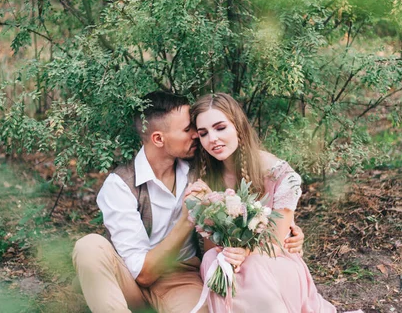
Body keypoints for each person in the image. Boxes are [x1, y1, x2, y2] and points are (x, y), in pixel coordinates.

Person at [72, 91, 306, 313]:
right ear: (158, 138)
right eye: (189, 129)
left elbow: (249, 184)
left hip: (181, 280)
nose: (197, 135)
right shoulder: (120, 185)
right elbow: (142, 275)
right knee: (89, 246)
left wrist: (285, 230)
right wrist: (188, 215)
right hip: (129, 281)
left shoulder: (201, 168)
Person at [188, 93, 336, 313]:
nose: (212, 139)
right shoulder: (206, 178)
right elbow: (212, 244)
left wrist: (245, 252)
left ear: (237, 126)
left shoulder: (280, 174)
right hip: (230, 262)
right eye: (204, 133)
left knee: (253, 267)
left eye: (220, 128)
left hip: (273, 259)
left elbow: (276, 242)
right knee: (212, 258)